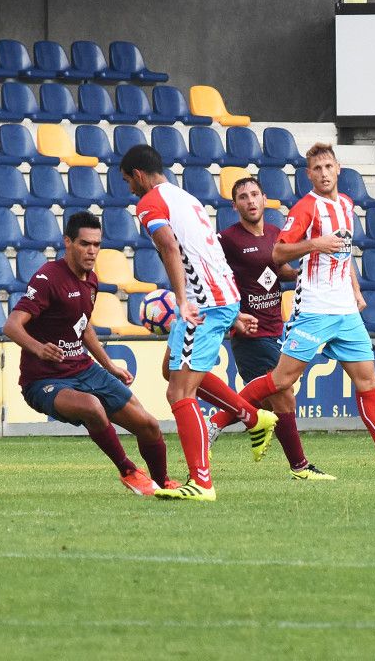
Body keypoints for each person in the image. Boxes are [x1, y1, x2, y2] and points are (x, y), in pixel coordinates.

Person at [236, 143, 375, 480]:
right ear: (308, 175)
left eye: (328, 167)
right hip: (314, 309)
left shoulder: (346, 205)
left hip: (345, 312)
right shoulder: (305, 208)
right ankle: (218, 419)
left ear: (338, 169)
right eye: (317, 169)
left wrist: (354, 289)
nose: (324, 173)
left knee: (368, 381)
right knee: (282, 380)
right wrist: (314, 244)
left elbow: (343, 253)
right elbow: (279, 253)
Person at [119, 144, 277, 502]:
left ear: (139, 176)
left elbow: (171, 248)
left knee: (179, 392)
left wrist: (181, 299)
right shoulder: (184, 198)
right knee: (171, 370)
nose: (129, 188)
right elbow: (208, 250)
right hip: (218, 295)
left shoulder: (149, 204)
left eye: (129, 180)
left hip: (203, 302)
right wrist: (231, 308)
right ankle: (253, 418)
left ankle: (201, 483)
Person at [3, 210, 175, 497]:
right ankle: (129, 471)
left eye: (96, 244)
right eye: (85, 243)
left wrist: (108, 365)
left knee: (149, 425)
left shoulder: (91, 279)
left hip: (84, 369)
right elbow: (12, 325)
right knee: (92, 407)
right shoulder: (48, 278)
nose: (92, 250)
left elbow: (83, 327)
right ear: (67, 242)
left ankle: (164, 485)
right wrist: (39, 349)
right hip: (44, 380)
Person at [210, 176, 335, 480]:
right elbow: (213, 278)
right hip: (249, 332)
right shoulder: (227, 240)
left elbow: (281, 271)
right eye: (243, 196)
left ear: (265, 199)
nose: (250, 201)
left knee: (274, 400)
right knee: (283, 395)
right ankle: (300, 467)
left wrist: (308, 269)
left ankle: (235, 423)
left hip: (276, 327)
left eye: (254, 194)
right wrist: (233, 315)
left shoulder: (277, 235)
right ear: (235, 204)